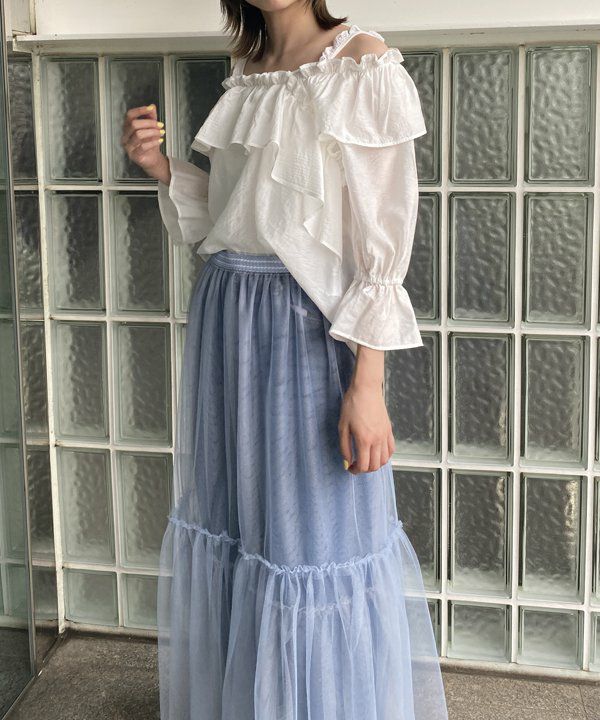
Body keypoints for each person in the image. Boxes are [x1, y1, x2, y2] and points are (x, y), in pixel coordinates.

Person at [122, 2, 449, 718]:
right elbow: (233, 219)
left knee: (310, 540)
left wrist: (368, 382)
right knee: (239, 526)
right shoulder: (247, 70)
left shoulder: (361, 63)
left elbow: (382, 239)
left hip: (305, 333)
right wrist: (161, 167)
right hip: (227, 320)